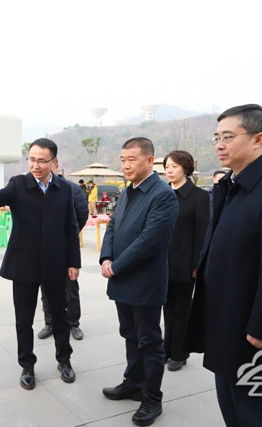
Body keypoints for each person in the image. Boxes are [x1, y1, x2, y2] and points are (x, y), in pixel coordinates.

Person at [186, 104, 262, 427]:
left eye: (228, 137)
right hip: (225, 320)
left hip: (253, 332)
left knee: (257, 414)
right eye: (217, 137)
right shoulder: (230, 184)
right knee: (231, 407)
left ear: (258, 139)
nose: (219, 144)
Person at [0, 138, 81, 391]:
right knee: (24, 319)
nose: (35, 165)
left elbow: (71, 226)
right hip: (24, 263)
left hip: (55, 263)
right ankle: (27, 365)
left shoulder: (65, 189)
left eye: (42, 161)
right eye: (32, 160)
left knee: (60, 316)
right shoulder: (18, 184)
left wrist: (73, 262)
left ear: (54, 162)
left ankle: (64, 360)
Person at [100, 137, 179, 426]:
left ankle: (152, 397)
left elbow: (150, 241)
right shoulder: (127, 192)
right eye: (123, 160)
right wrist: (106, 258)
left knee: (149, 342)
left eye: (131, 159)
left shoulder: (162, 195)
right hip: (121, 279)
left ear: (149, 160)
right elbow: (113, 226)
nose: (125, 165)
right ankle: (133, 383)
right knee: (130, 335)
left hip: (145, 282)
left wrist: (116, 266)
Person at [163, 150, 209, 372]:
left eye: (174, 166)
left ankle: (180, 353)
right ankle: (166, 348)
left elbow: (202, 233)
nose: (169, 171)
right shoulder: (162, 193)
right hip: (162, 262)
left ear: (186, 168)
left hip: (185, 263)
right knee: (166, 308)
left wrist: (196, 265)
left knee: (182, 309)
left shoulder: (199, 196)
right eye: (167, 167)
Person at [38, 168, 88, 341]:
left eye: (45, 161)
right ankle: (50, 322)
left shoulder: (72, 189)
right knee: (45, 288)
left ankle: (73, 323)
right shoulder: (38, 189)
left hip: (65, 248)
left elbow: (82, 214)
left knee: (70, 288)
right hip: (43, 249)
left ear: (55, 163)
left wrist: (67, 235)